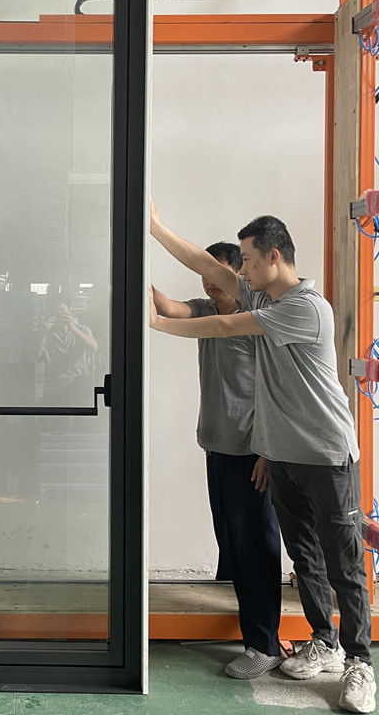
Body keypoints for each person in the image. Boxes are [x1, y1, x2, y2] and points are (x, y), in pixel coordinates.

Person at [149, 203, 375, 714]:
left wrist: (157, 323)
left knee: (343, 565)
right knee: (305, 557)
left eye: (248, 260)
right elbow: (207, 266)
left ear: (274, 257)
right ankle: (325, 642)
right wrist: (156, 228)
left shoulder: (304, 308)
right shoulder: (263, 294)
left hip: (327, 454)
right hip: (284, 455)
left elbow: (225, 328)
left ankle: (361, 663)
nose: (242, 270)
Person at [152, 241, 282, 679]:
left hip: (252, 454)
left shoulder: (255, 319)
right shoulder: (204, 309)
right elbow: (168, 307)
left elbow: (273, 389)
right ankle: (246, 630)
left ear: (237, 274)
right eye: (204, 274)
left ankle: (264, 646)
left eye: (218, 272)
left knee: (256, 548)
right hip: (218, 447)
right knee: (232, 543)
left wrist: (267, 451)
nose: (210, 281)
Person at [38, 298, 98, 406]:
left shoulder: (82, 329)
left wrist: (73, 328)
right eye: (55, 312)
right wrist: (42, 332)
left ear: (70, 312)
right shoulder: (47, 334)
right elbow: (34, 356)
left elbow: (94, 347)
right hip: (54, 390)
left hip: (78, 387)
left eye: (62, 311)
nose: (58, 314)